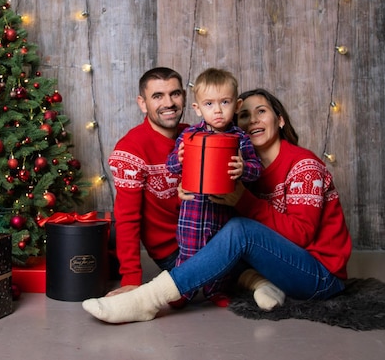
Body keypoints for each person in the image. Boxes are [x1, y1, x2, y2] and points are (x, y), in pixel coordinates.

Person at [83, 88, 353, 323]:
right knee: (218, 228)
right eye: (244, 115)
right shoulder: (242, 167)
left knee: (240, 231)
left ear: (280, 120)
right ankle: (258, 282)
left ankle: (149, 299)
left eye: (261, 112)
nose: (253, 120)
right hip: (277, 267)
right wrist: (186, 187)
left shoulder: (304, 166)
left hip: (319, 276)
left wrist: (244, 201)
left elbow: (301, 234)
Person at [165, 68, 262, 307]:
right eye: (209, 104)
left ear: (237, 105)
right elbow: (171, 166)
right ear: (198, 108)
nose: (217, 110)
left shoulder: (240, 138)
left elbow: (256, 169)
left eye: (225, 102)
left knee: (221, 255)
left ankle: (215, 290)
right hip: (193, 212)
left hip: (224, 212)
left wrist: (243, 168)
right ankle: (182, 292)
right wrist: (178, 159)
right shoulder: (189, 135)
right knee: (188, 253)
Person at [106, 67, 188, 296]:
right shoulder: (130, 150)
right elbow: (127, 219)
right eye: (158, 96)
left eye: (175, 94)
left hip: (205, 238)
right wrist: (131, 280)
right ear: (143, 104)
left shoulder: (194, 136)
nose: (169, 103)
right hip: (172, 251)